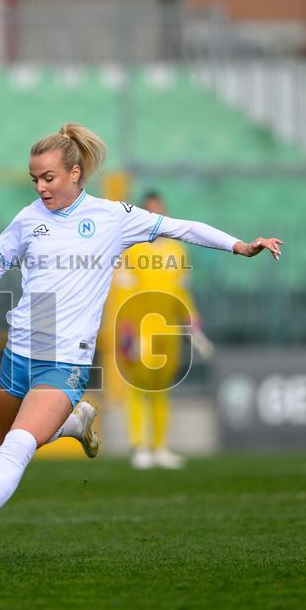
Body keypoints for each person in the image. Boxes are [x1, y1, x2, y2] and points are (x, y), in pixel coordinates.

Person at [0, 123, 283, 564]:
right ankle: (74, 424)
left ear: (75, 173)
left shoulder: (112, 217)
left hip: (65, 362)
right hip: (19, 354)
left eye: (49, 178)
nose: (40, 188)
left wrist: (240, 246)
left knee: (19, 449)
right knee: (4, 445)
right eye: (35, 179)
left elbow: (183, 228)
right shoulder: (26, 221)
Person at [109, 191, 216, 470]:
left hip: (167, 329)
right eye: (151, 212)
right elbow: (123, 292)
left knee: (161, 388)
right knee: (137, 386)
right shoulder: (130, 249)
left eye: (160, 211)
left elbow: (182, 290)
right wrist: (128, 332)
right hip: (140, 329)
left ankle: (159, 446)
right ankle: (138, 446)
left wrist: (193, 322)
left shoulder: (177, 251)